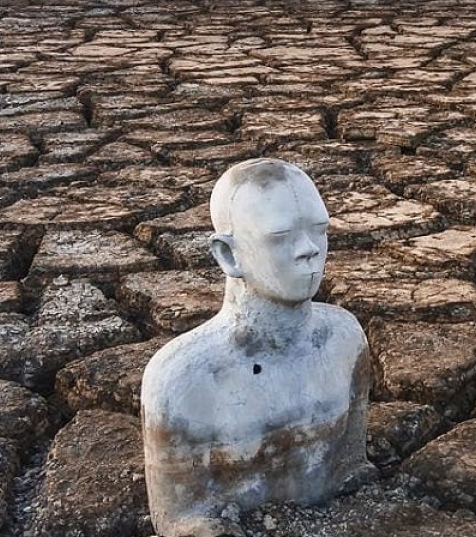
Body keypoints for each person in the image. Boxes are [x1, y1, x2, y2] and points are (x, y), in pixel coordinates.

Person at [142, 159, 373, 537]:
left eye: (320, 230)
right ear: (228, 255)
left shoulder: (344, 339)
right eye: (280, 236)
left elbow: (352, 468)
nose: (309, 249)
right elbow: (179, 519)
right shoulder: (183, 380)